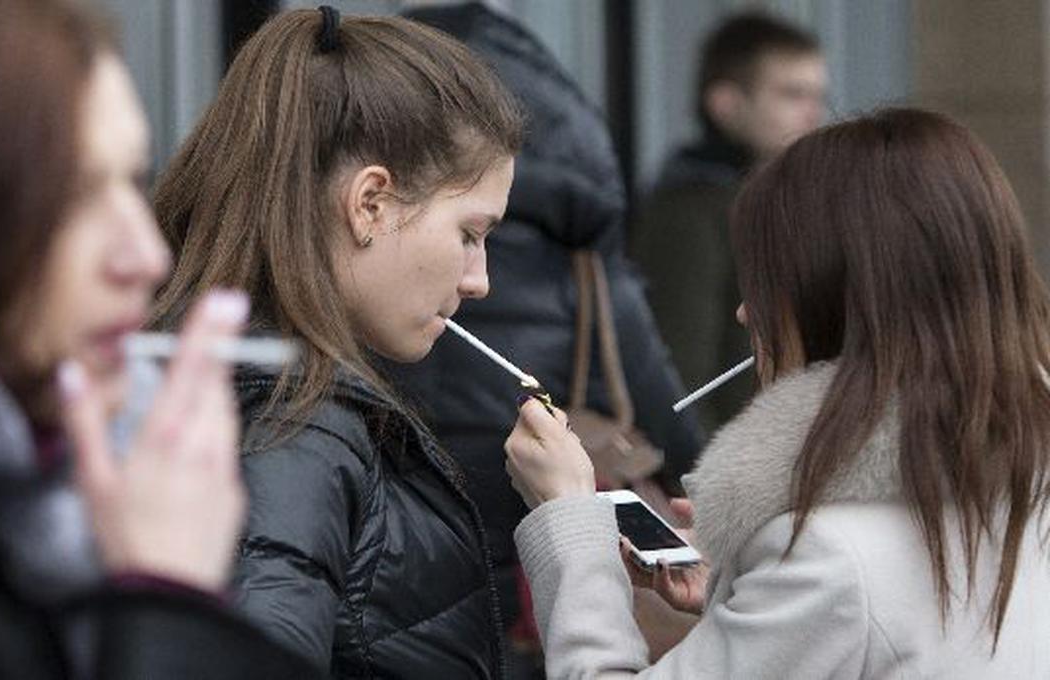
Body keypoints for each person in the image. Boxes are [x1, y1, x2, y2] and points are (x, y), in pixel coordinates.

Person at [504, 109, 1050, 678]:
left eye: (767, 281)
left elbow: (857, 602)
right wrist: (745, 594)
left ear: (836, 295)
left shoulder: (828, 557)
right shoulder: (1023, 487)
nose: (746, 312)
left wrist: (568, 520)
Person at [0, 0, 308, 677]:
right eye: (73, 197)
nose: (146, 256)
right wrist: (169, 605)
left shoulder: (45, 512)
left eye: (133, 183)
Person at [150, 7, 522, 678]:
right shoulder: (295, 425)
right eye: (470, 233)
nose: (479, 281)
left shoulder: (242, 387)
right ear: (371, 203)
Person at [391, 0, 703, 666]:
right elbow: (670, 427)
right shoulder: (584, 270)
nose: (477, 280)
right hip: (533, 596)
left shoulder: (359, 261)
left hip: (398, 601)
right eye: (467, 236)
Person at [628, 11, 827, 434]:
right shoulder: (690, 212)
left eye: (817, 96)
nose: (813, 114)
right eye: (792, 94)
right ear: (727, 104)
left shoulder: (794, 202)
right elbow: (682, 383)